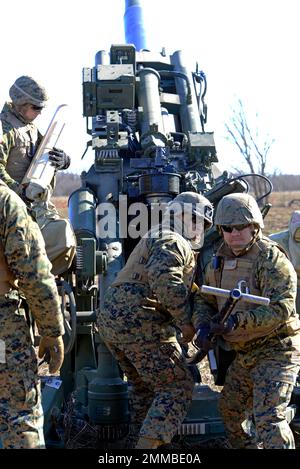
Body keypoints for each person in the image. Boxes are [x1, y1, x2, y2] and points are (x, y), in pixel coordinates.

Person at [97, 192, 213, 449]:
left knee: (145, 389)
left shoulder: (156, 234)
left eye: (202, 224)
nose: (198, 228)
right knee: (177, 386)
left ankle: (138, 441)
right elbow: (165, 280)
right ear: (180, 216)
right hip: (141, 322)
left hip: (113, 323)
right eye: (195, 221)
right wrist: (185, 322)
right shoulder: (173, 240)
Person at [192, 192, 300, 449]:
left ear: (255, 227)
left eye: (241, 227)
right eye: (227, 228)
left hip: (278, 350)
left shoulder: (271, 259)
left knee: (268, 418)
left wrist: (234, 323)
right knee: (230, 413)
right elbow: (203, 299)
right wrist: (203, 324)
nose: (234, 233)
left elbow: (281, 308)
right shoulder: (217, 260)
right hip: (246, 353)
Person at [0, 178, 65, 449]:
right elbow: (34, 275)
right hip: (3, 331)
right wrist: (52, 330)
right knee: (17, 413)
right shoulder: (5, 202)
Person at [0, 75, 76, 275]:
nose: (40, 113)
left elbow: (45, 153)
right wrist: (19, 192)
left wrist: (63, 160)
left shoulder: (29, 128)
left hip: (32, 206)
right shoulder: (5, 129)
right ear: (20, 104)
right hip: (11, 210)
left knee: (64, 239)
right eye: (36, 108)